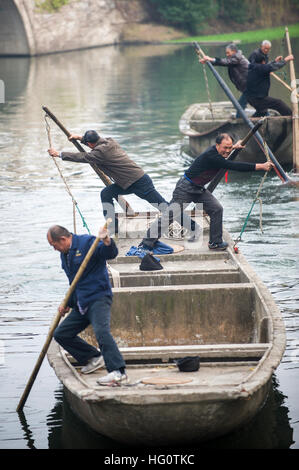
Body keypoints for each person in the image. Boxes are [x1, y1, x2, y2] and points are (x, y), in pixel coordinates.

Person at [140, 133, 274, 251]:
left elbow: (226, 151)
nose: (227, 151)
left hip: (198, 188)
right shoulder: (212, 156)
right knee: (170, 215)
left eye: (230, 147)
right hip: (185, 188)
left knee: (216, 209)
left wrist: (234, 147)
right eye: (225, 148)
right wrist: (261, 166)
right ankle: (146, 244)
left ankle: (215, 242)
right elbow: (233, 166)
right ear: (217, 145)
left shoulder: (219, 152)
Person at [47, 224, 127, 385]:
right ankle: (94, 357)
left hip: (98, 297)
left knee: (102, 333)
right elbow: (74, 282)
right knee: (61, 334)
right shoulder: (65, 255)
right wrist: (67, 303)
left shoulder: (87, 242)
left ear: (62, 239)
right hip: (81, 302)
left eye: (54, 245)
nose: (54, 249)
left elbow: (110, 253)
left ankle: (118, 372)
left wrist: (106, 240)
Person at [48, 130, 168, 233]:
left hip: (139, 182)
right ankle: (113, 226)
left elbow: (82, 157)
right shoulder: (110, 141)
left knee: (164, 207)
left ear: (89, 143)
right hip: (127, 182)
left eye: (87, 142)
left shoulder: (99, 153)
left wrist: (59, 154)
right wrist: (79, 138)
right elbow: (93, 143)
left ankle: (185, 222)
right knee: (106, 193)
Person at [199, 43, 249, 118]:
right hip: (248, 87)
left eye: (228, 53)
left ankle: (239, 121)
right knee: (249, 104)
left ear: (234, 52)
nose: (227, 54)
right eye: (226, 53)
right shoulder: (235, 58)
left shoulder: (237, 58)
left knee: (241, 105)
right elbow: (224, 62)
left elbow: (226, 62)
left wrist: (211, 59)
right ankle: (243, 118)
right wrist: (208, 61)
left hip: (251, 86)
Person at [246, 53, 294, 117]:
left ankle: (253, 121)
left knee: (262, 111)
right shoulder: (261, 68)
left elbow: (267, 66)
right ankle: (292, 117)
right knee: (279, 103)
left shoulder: (253, 67)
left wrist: (275, 61)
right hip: (257, 99)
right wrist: (286, 59)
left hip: (251, 98)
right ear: (263, 61)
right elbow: (270, 67)